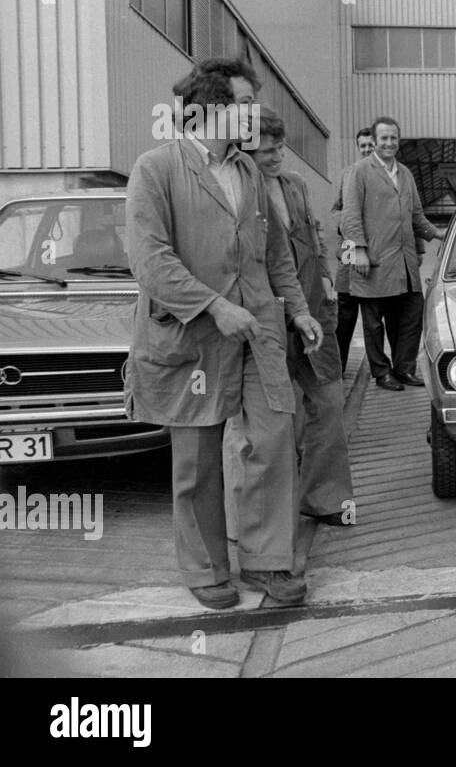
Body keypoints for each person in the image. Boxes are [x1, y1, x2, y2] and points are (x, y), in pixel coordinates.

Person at [124, 57, 323, 609]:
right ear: (207, 109)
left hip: (258, 329)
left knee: (274, 438)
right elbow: (150, 259)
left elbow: (276, 253)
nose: (252, 114)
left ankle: (266, 563)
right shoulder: (156, 168)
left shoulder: (251, 172)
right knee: (196, 457)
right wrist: (212, 306)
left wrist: (299, 311)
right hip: (189, 334)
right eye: (242, 104)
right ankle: (206, 568)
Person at [249, 106, 355, 526]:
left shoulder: (295, 184)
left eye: (280, 149)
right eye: (267, 152)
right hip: (267, 318)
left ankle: (325, 499)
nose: (277, 158)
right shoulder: (239, 191)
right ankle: (265, 516)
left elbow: (316, 237)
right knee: (271, 420)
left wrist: (327, 279)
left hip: (314, 314)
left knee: (329, 404)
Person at [340, 116, 440, 391]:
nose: (389, 143)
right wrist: (358, 250)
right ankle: (382, 373)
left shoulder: (405, 173)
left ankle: (404, 369)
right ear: (375, 141)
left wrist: (439, 233)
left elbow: (417, 216)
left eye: (393, 138)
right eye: (384, 138)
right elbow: (349, 215)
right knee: (373, 323)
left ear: (399, 140)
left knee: (410, 315)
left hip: (404, 262)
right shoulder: (359, 171)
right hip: (373, 260)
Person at [333, 127, 375, 372]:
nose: (367, 149)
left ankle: (378, 370)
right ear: (358, 148)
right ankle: (338, 367)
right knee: (345, 314)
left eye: (371, 145)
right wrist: (345, 229)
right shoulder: (348, 174)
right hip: (349, 250)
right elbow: (337, 209)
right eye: (363, 146)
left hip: (376, 254)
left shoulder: (387, 176)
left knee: (373, 318)